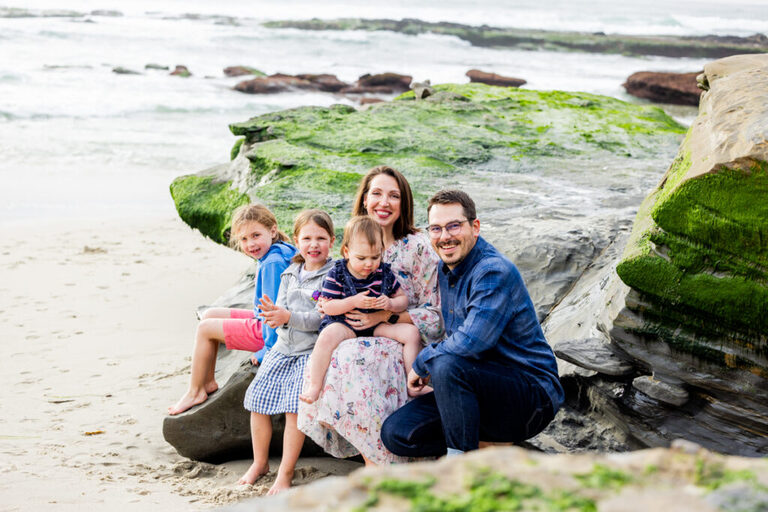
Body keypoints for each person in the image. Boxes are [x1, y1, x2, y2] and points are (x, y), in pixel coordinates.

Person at [380, 189, 564, 457]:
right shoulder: (447, 268)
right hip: (475, 386)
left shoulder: (492, 271)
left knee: (445, 364)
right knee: (398, 433)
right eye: (436, 229)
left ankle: (460, 468)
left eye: (454, 226)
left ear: (475, 227)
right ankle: (486, 447)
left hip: (529, 395)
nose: (445, 237)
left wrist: (422, 362)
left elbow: (472, 342)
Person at [297, 165, 443, 465]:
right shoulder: (354, 244)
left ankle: (378, 461)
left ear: (404, 204)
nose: (384, 202)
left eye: (393, 195)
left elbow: (438, 314)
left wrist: (384, 317)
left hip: (401, 338)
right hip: (353, 335)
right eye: (376, 193)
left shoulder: (417, 248)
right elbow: (326, 297)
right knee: (337, 351)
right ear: (364, 199)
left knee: (353, 358)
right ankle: (370, 457)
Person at [238, 209, 335, 494]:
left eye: (320, 238)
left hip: (309, 353)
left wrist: (287, 317)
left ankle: (285, 472)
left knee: (294, 410)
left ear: (332, 240)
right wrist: (272, 317)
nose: (313, 245)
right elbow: (277, 309)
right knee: (256, 402)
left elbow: (320, 320)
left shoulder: (333, 275)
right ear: (296, 240)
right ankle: (260, 462)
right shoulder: (290, 272)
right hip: (282, 348)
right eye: (307, 238)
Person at [168, 204, 296, 416]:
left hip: (272, 334)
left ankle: (195, 391)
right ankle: (207, 381)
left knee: (206, 328)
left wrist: (268, 350)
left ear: (272, 231)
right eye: (244, 239)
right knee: (210, 314)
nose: (250, 244)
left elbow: (275, 314)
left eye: (256, 235)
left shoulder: (273, 262)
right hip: (267, 322)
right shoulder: (278, 250)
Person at [300, 216, 422, 404]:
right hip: (344, 323)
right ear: (347, 252)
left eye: (375, 257)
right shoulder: (338, 273)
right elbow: (329, 306)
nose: (369, 264)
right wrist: (353, 301)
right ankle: (314, 385)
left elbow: (403, 300)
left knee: (412, 333)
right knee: (326, 336)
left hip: (376, 323)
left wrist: (390, 304)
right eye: (361, 258)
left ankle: (413, 381)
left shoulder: (384, 272)